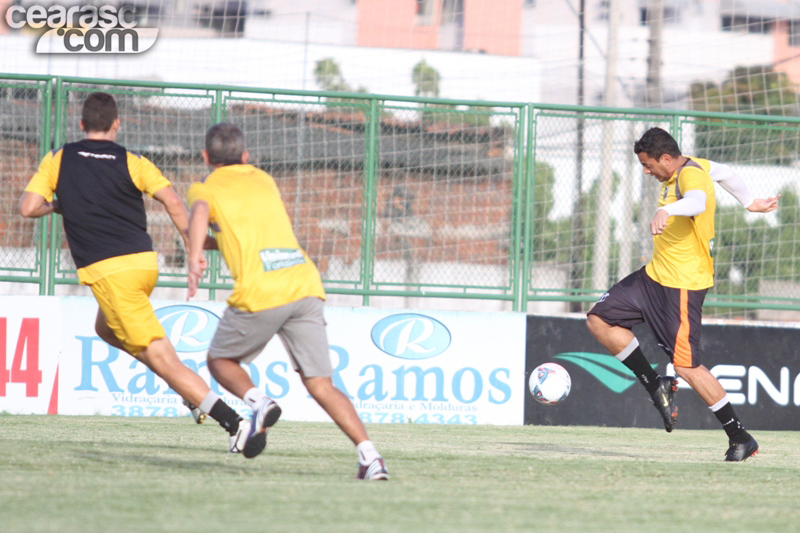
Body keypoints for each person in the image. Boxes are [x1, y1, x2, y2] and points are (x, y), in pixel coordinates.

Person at [19, 92, 249, 452]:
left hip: (110, 272)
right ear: (116, 125)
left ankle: (234, 423)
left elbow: (29, 207)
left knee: (161, 359)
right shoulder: (132, 159)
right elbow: (173, 201)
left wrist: (57, 205)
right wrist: (193, 247)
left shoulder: (58, 158)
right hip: (143, 263)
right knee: (105, 328)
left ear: (81, 125)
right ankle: (187, 390)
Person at [185, 122, 389, 480]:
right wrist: (210, 245)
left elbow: (200, 214)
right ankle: (371, 457)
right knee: (322, 384)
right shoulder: (264, 179)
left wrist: (194, 253)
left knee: (219, 360)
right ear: (246, 156)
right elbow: (246, 235)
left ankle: (259, 403)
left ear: (205, 157)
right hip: (303, 283)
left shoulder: (205, 187)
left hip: (261, 291)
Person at [586, 127, 760, 462]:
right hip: (654, 276)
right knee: (599, 319)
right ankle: (655, 384)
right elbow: (727, 173)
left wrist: (668, 210)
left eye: (648, 165)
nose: (646, 172)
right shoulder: (695, 165)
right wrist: (749, 201)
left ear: (666, 158)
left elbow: (699, 201)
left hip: (682, 285)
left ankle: (740, 437)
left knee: (686, 366)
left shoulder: (690, 176)